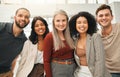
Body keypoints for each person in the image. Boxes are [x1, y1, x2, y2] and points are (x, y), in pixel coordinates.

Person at [69, 11, 111, 77]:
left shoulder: (95, 37)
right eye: (79, 23)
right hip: (80, 73)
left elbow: (100, 61)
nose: (82, 25)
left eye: (85, 22)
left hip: (95, 72)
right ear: (75, 25)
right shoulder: (75, 39)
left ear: (89, 24)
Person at [43, 10, 76, 77]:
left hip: (73, 68)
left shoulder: (71, 35)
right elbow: (46, 61)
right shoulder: (49, 37)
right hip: (58, 69)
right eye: (58, 21)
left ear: (67, 21)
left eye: (63, 20)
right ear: (53, 22)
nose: (61, 24)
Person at [0, 8, 30, 77]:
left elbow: (15, 58)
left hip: (6, 73)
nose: (23, 18)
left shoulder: (24, 41)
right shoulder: (2, 27)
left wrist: (12, 73)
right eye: (20, 15)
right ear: (15, 17)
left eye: (26, 17)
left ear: (28, 21)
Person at [96, 4, 120, 77]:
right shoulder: (96, 36)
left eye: (107, 15)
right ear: (96, 18)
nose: (104, 18)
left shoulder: (119, 27)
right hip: (109, 72)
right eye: (101, 16)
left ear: (112, 17)